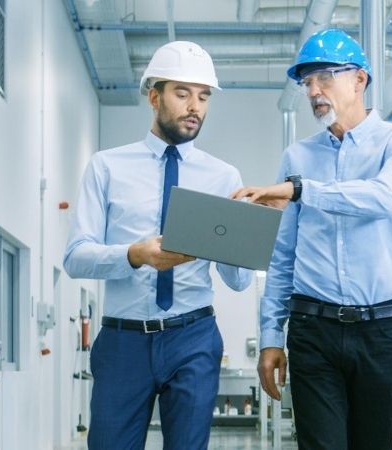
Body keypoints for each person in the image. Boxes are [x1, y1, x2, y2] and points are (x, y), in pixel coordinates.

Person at [231, 28, 392, 450]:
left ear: (360, 79)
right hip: (312, 330)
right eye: (307, 82)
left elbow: (384, 196)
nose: (314, 90)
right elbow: (283, 257)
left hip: (380, 330)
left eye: (325, 77)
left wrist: (302, 190)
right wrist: (270, 338)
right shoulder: (297, 156)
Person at [65, 41, 252, 450]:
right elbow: (76, 256)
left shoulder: (223, 176)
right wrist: (135, 255)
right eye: (182, 93)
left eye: (203, 97)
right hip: (123, 341)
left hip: (194, 337)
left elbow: (239, 282)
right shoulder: (107, 166)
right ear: (154, 96)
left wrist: (244, 234)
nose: (195, 107)